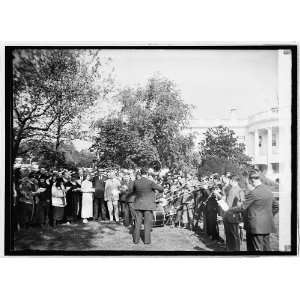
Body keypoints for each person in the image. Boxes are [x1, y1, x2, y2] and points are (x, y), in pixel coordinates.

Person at [232, 171, 279, 251]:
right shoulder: (268, 191)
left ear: (252, 180)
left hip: (255, 227)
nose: (249, 183)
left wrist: (230, 210)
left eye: (248, 181)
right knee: (266, 248)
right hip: (266, 225)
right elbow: (276, 206)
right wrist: (268, 216)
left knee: (256, 250)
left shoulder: (254, 193)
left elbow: (243, 207)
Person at [132, 168, 163, 244]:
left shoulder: (135, 182)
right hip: (148, 205)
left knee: (137, 223)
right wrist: (156, 183)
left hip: (138, 204)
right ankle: (147, 241)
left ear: (140, 173)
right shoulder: (150, 182)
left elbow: (133, 191)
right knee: (147, 224)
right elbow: (161, 189)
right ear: (147, 174)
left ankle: (136, 240)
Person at [223, 175, 245, 251]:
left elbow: (241, 206)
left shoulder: (240, 191)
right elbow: (228, 201)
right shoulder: (230, 189)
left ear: (234, 181)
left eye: (230, 180)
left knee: (234, 235)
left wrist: (241, 220)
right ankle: (229, 249)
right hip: (227, 215)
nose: (229, 182)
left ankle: (236, 250)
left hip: (234, 216)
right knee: (228, 233)